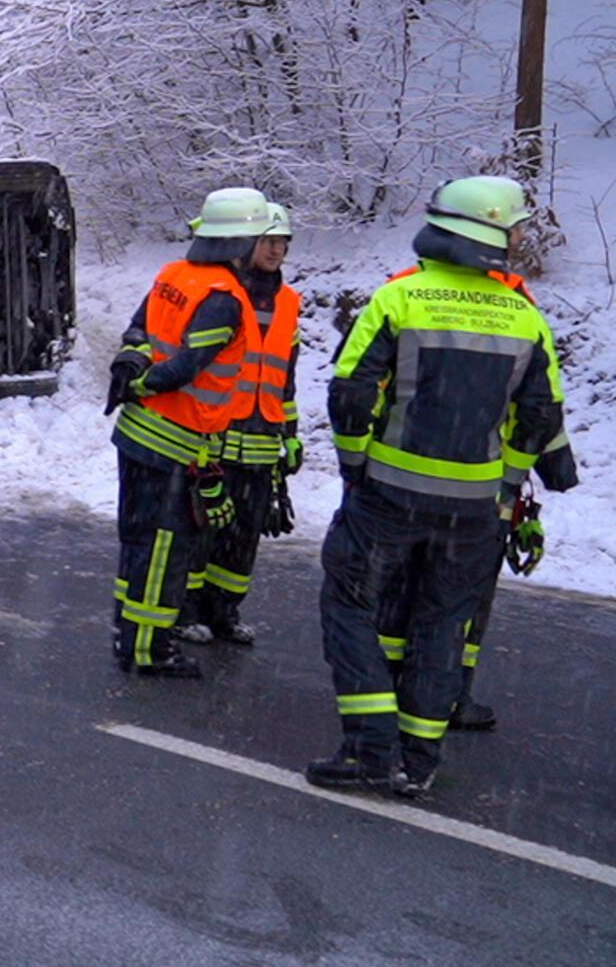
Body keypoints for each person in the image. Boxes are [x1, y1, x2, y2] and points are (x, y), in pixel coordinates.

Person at [308, 176, 572, 798]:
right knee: (442, 624)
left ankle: (369, 749)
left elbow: (349, 394)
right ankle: (417, 760)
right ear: (495, 238)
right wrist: (505, 482)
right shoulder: (524, 315)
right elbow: (540, 416)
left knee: (350, 606)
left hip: (389, 496)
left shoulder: (400, 299)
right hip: (475, 509)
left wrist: (355, 467)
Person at [374, 264, 578, 731]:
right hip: (485, 486)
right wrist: (550, 467)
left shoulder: (407, 291)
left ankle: (385, 688)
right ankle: (444, 695)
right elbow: (539, 404)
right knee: (459, 599)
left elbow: (368, 384)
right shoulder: (514, 306)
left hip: (407, 480)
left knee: (402, 588)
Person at [105, 187, 276, 678]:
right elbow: (188, 365)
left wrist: (129, 365)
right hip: (174, 440)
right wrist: (144, 382)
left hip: (137, 434)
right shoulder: (224, 298)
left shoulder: (173, 275)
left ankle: (128, 631)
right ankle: (148, 650)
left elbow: (138, 331)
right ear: (241, 244)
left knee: (136, 539)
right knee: (164, 548)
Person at [177, 201, 302, 647]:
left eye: (282, 242)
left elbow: (285, 375)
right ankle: (187, 612)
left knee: (244, 536)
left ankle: (225, 612)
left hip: (262, 438)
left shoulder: (288, 301)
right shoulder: (226, 293)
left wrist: (291, 434)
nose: (276, 250)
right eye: (269, 241)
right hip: (217, 432)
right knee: (202, 529)